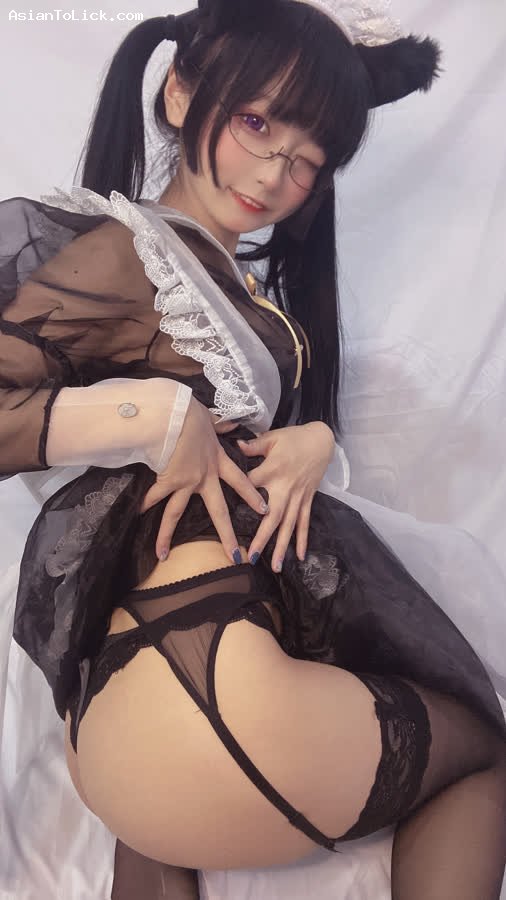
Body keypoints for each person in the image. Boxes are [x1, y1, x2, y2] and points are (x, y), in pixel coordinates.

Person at [1, 1, 505, 898]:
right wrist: (154, 416)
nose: (277, 173)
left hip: (115, 739)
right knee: (486, 753)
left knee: (166, 821)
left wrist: (312, 440)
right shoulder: (124, 252)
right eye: (258, 123)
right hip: (220, 697)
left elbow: (241, 456)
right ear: (179, 93)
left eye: (309, 159)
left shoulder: (215, 277)